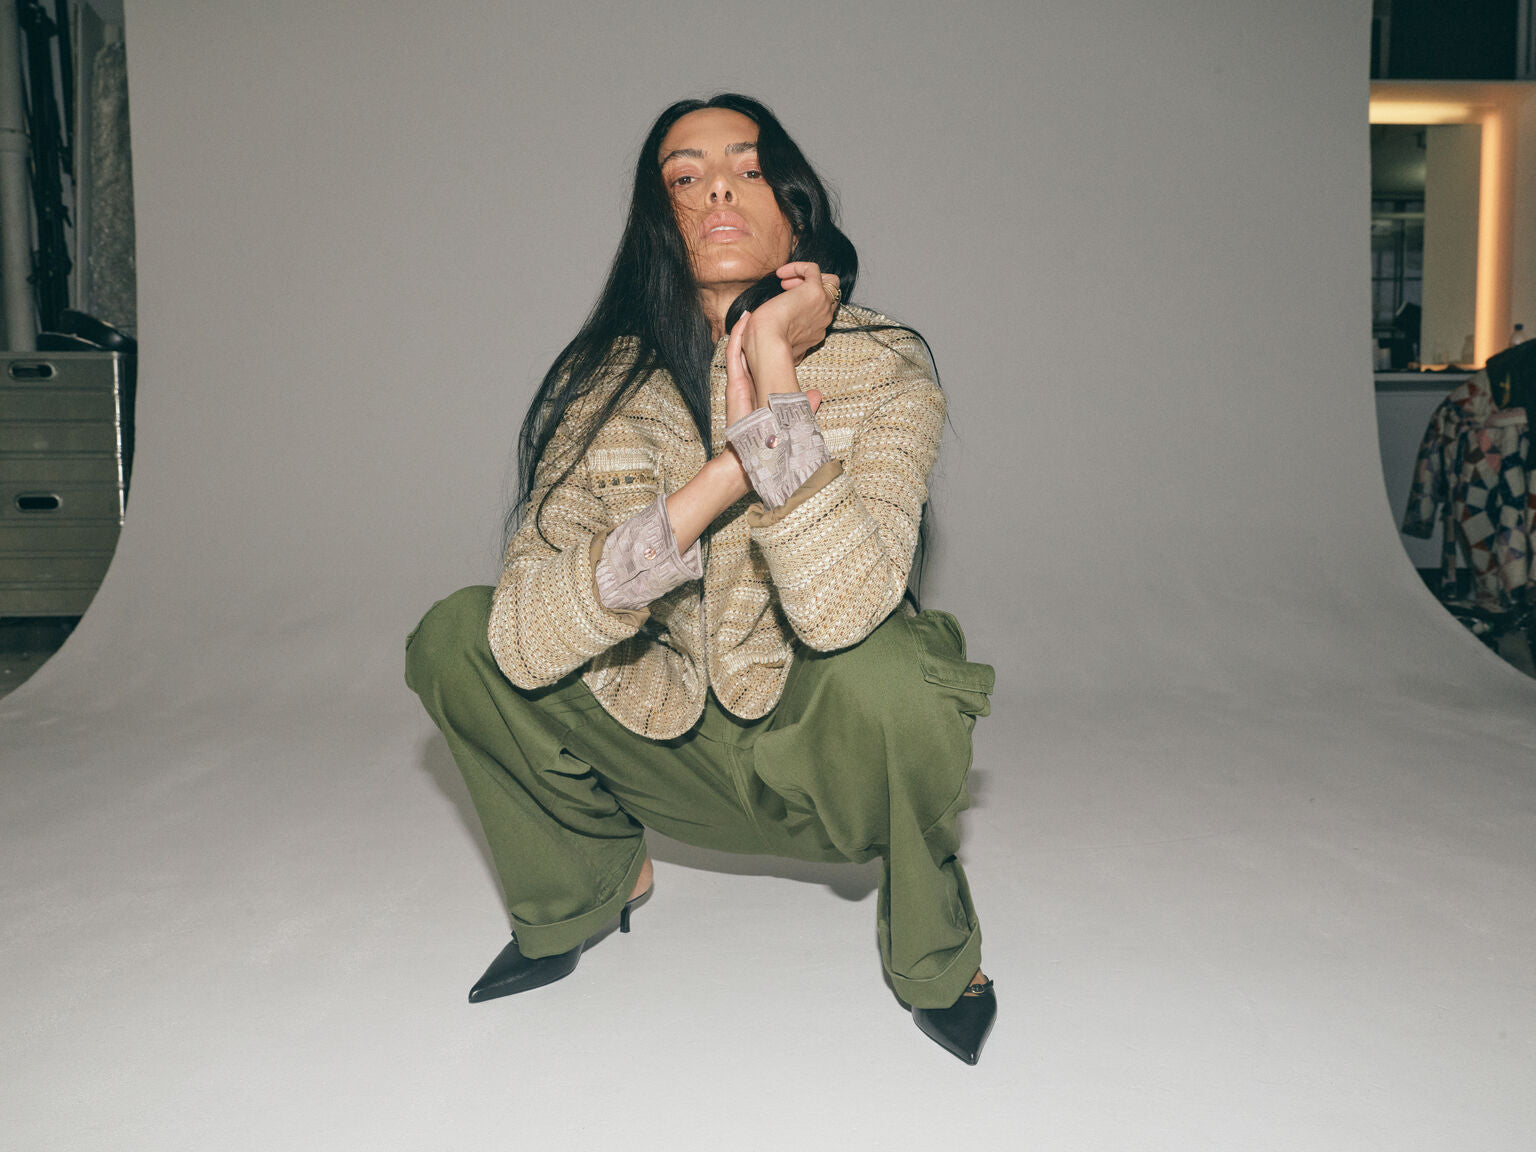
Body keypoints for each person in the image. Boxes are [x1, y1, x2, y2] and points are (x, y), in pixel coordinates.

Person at [404, 93, 997, 1064]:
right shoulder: (601, 384)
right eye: (686, 176)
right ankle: (591, 883)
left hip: (821, 763)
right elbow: (522, 636)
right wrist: (726, 473)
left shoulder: (888, 366)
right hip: (662, 745)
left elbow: (848, 612)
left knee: (900, 678)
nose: (718, 188)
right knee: (456, 637)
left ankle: (938, 955)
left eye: (748, 169)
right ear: (659, 221)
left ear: (795, 212)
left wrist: (772, 365)